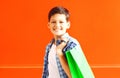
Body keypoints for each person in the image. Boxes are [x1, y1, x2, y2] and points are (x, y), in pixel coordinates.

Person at [42, 6, 93, 78]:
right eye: (53, 22)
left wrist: (60, 53)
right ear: (49, 25)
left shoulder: (72, 44)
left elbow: (74, 75)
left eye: (61, 22)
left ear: (68, 25)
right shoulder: (49, 46)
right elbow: (46, 72)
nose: (57, 25)